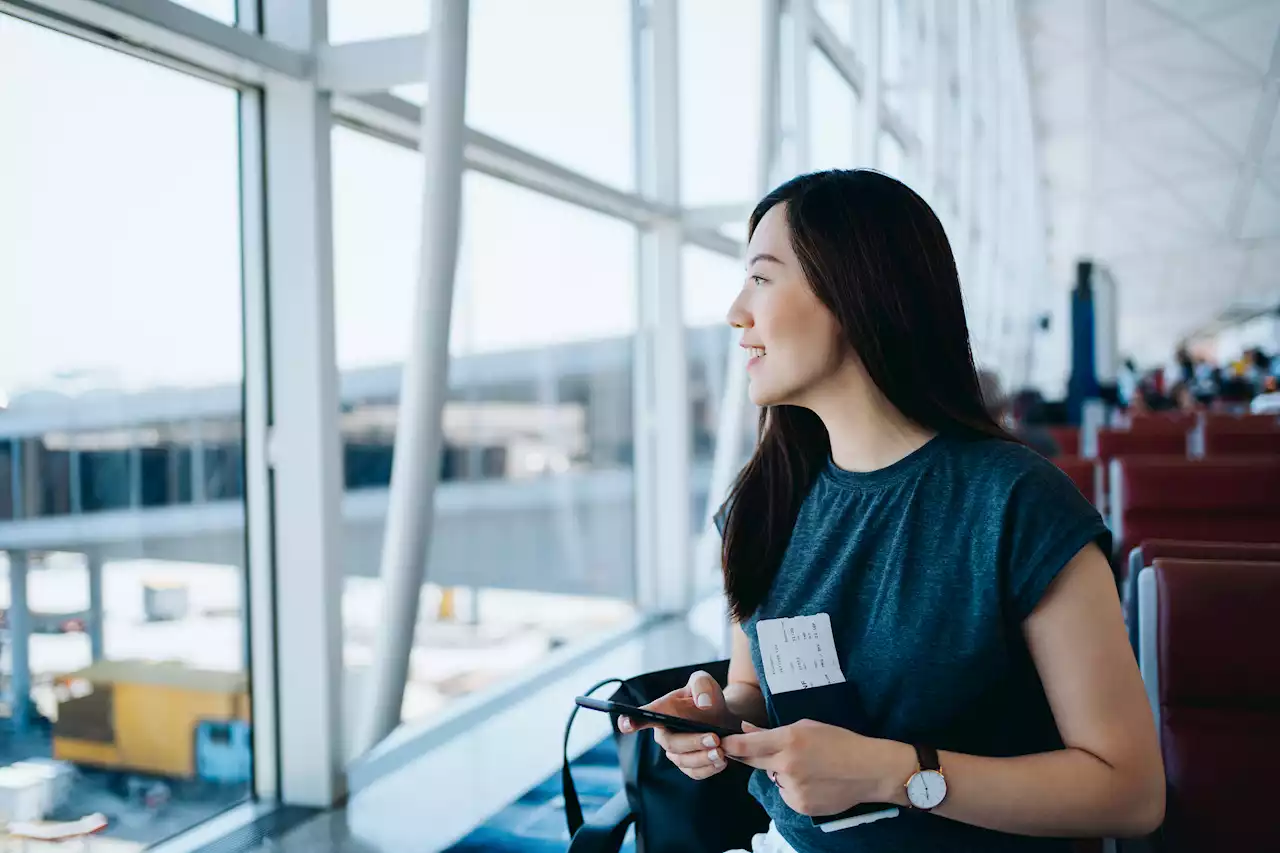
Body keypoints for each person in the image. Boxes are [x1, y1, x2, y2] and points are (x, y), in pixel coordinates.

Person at [618, 171, 1163, 852]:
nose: (736, 311)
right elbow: (758, 691)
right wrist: (715, 715)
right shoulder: (760, 504)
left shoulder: (1016, 504)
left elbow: (1131, 790)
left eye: (761, 277)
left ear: (853, 291)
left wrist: (893, 772)